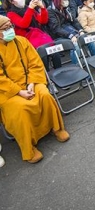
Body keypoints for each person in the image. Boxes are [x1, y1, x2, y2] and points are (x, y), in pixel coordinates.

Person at [0, 15, 69, 163]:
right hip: (8, 92)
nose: (10, 30)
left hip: (30, 82)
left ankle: (57, 128)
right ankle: (28, 149)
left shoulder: (22, 41)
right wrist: (19, 91)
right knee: (20, 108)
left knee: (45, 95)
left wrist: (31, 83)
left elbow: (35, 63)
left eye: (10, 26)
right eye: (5, 29)